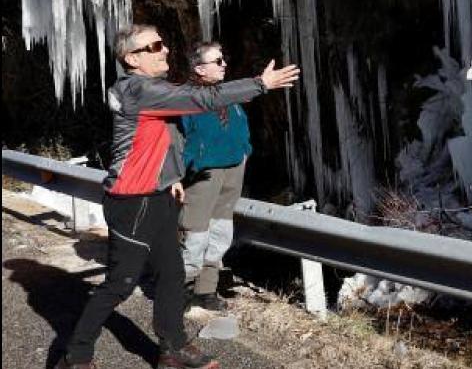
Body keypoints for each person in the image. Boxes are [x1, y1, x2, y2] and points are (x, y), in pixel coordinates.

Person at [58, 24, 300, 369]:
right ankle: (76, 355)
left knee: (171, 276)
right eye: (155, 46)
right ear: (132, 58)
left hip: (156, 195)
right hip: (132, 201)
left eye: (163, 44)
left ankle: (173, 349)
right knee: (120, 283)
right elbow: (204, 98)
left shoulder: (153, 89)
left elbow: (164, 135)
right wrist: (260, 84)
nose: (165, 50)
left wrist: (170, 176)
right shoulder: (138, 90)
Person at [179, 41, 251, 311]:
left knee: (221, 231)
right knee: (195, 232)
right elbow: (177, 137)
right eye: (218, 61)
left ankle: (206, 289)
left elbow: (240, 122)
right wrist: (189, 164)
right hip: (204, 171)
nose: (224, 65)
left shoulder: (225, 94)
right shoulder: (186, 98)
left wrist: (245, 149)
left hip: (233, 168)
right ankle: (180, 289)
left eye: (223, 60)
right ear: (199, 68)